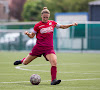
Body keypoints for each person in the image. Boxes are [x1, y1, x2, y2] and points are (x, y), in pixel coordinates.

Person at [14, 7, 78, 85]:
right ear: (41, 16)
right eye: (44, 17)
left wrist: (72, 24)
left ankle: (53, 80)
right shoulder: (37, 25)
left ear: (49, 16)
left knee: (54, 62)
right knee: (25, 63)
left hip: (49, 48)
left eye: (47, 17)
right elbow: (32, 36)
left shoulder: (52, 23)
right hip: (38, 48)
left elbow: (63, 26)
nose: (45, 18)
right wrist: (28, 34)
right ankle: (21, 60)